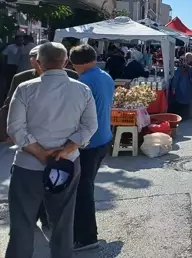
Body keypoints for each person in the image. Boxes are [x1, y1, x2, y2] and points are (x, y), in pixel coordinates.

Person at [5, 42, 98, 258]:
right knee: (63, 223)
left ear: (39, 63)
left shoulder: (25, 88)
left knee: (22, 224)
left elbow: (14, 128)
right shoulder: (82, 89)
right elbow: (90, 126)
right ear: (65, 62)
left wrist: (38, 151)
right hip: (65, 164)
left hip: (28, 165)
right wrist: (67, 149)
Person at [68, 44, 114, 251]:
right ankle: (81, 232)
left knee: (82, 190)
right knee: (86, 187)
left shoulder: (82, 82)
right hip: (104, 138)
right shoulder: (106, 76)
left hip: (89, 143)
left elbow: (76, 115)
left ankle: (86, 237)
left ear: (74, 62)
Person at [170, 54, 192, 118]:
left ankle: (180, 116)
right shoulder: (190, 68)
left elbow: (175, 79)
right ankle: (186, 115)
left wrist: (173, 88)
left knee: (179, 102)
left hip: (179, 88)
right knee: (186, 101)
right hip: (187, 87)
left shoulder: (179, 70)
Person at [1, 35, 23, 104]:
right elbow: (4, 55)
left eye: (21, 40)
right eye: (19, 40)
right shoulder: (10, 47)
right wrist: (4, 65)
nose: (20, 42)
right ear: (15, 40)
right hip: (11, 66)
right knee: (9, 81)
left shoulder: (24, 48)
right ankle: (7, 95)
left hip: (20, 67)